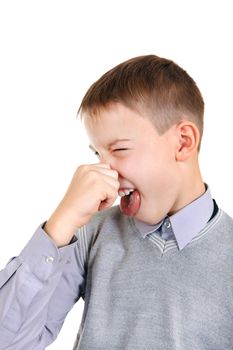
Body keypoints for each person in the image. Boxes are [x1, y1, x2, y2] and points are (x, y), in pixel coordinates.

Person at [0, 54, 232, 350]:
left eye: (120, 149)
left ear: (183, 142)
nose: (104, 170)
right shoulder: (89, 234)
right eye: (98, 154)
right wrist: (60, 226)